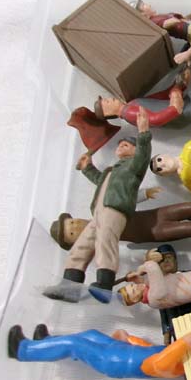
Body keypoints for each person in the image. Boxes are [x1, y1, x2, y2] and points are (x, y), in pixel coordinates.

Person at [44, 107, 152, 303]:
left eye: (127, 145)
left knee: (105, 242)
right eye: (120, 145)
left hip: (115, 209)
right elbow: (99, 179)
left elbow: (144, 156)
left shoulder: (133, 168)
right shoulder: (113, 170)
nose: (121, 146)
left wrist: (143, 134)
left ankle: (104, 284)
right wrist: (87, 167)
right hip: (99, 211)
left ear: (135, 151)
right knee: (82, 245)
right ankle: (70, 286)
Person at [8, 322, 191, 380]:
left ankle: (24, 350)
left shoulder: (171, 368)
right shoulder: (174, 354)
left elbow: (158, 362)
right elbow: (147, 349)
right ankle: (47, 343)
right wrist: (129, 338)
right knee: (91, 334)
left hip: (111, 360)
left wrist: (185, 342)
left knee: (74, 345)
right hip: (118, 348)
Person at [50, 197, 191, 247]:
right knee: (187, 228)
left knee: (184, 208)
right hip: (152, 233)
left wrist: (142, 195)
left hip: (152, 215)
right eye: (72, 233)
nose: (76, 226)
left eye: (72, 222)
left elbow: (122, 199)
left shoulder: (99, 209)